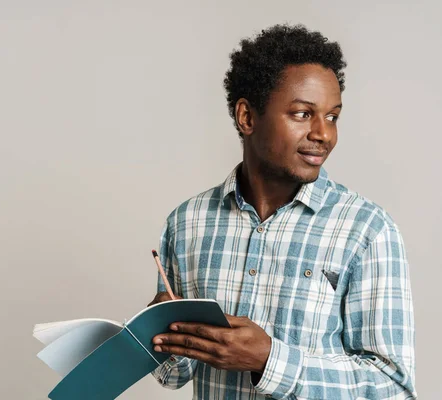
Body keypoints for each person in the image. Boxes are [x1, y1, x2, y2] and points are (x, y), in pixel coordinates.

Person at [147, 24, 416, 400]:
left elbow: (395, 389)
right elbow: (174, 375)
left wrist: (269, 359)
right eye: (303, 114)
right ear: (247, 117)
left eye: (333, 116)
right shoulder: (186, 223)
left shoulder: (367, 230)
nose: (324, 133)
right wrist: (158, 332)